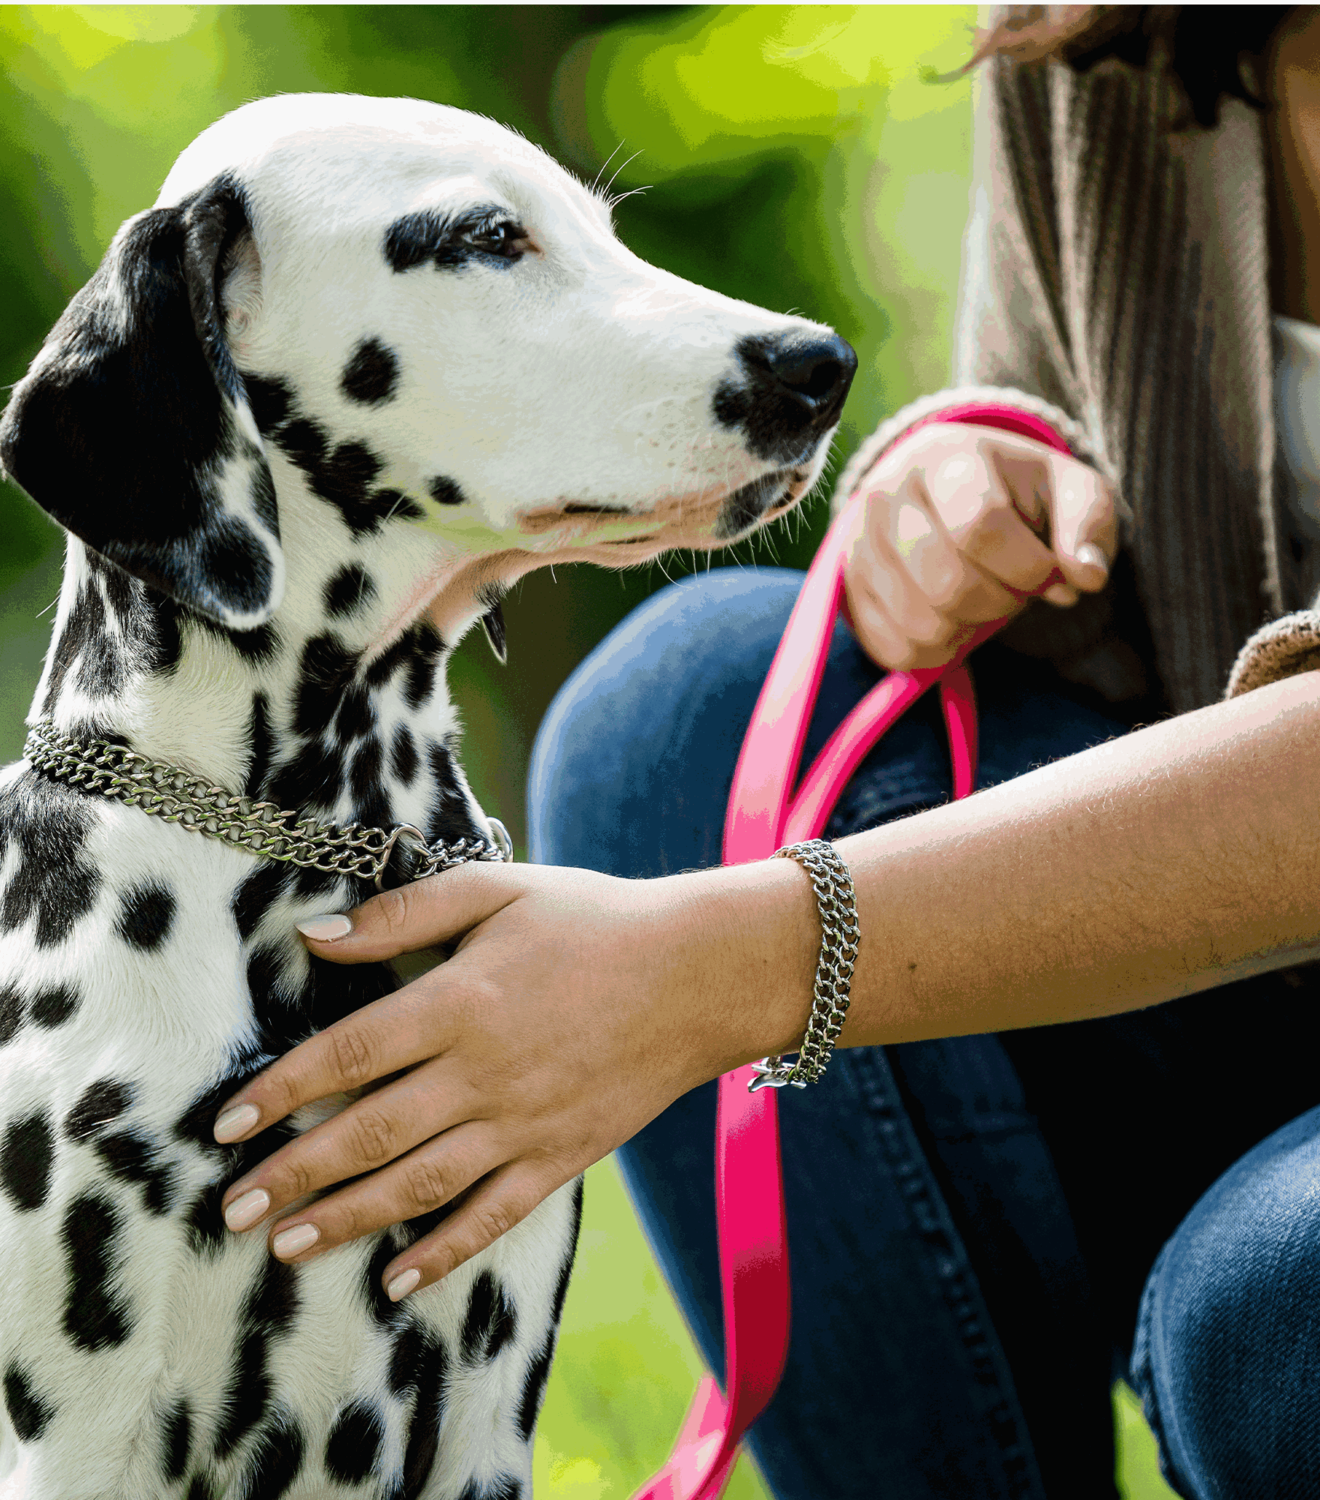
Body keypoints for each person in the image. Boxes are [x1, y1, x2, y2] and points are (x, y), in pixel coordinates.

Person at [206, 8, 1320, 1496]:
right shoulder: (1108, 39)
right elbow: (1073, 476)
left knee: (1271, 1311)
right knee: (682, 709)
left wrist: (728, 962)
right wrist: (962, 478)